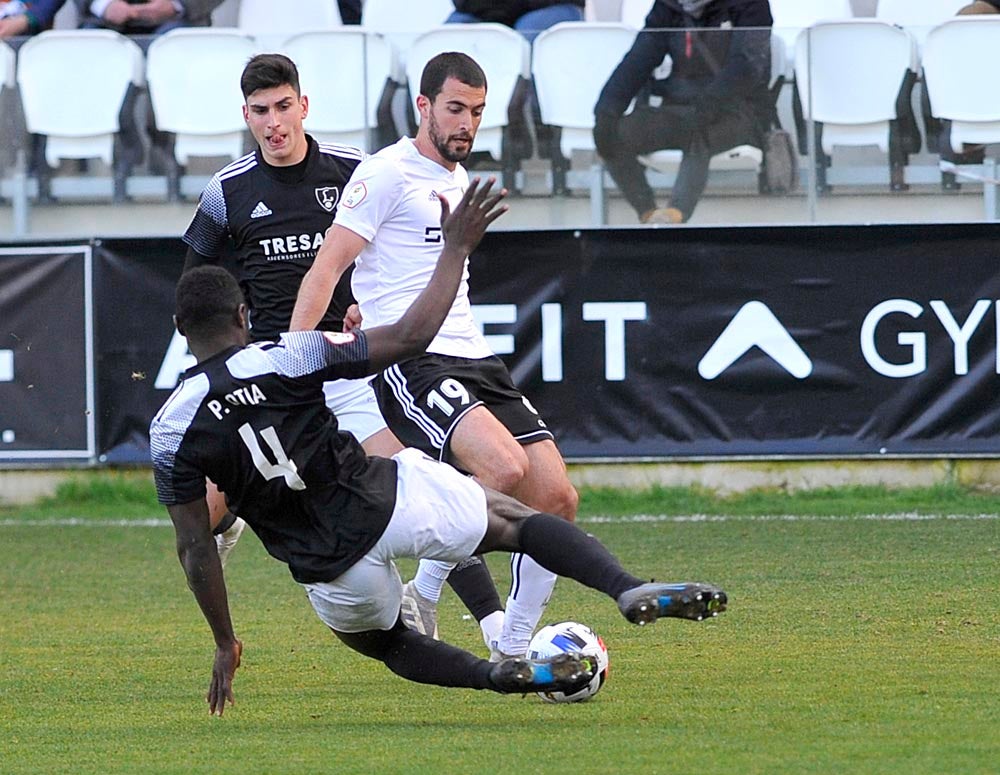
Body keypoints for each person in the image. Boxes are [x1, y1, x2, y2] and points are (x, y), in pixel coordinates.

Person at [151, 188, 728, 712]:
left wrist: (225, 643)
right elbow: (409, 338)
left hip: (326, 567)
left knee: (390, 644)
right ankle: (626, 588)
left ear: (180, 327)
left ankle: (493, 674)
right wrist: (453, 250)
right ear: (243, 315)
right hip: (384, 497)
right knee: (517, 521)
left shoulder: (170, 427)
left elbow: (195, 547)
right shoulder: (289, 355)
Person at [290, 52, 580, 661]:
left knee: (556, 498)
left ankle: (516, 648)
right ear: (422, 106)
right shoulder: (384, 173)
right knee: (500, 470)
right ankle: (423, 591)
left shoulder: (456, 181)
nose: (466, 124)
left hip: (475, 355)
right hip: (411, 358)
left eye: (476, 112)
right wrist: (289, 359)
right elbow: (328, 266)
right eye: (454, 109)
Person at [182, 53, 403, 564]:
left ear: (303, 105)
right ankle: (234, 508)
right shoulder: (225, 191)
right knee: (198, 516)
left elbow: (397, 251)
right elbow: (196, 280)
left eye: (284, 106)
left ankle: (485, 620)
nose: (274, 122)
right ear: (246, 116)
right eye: (261, 110)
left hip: (348, 364)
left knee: (412, 482)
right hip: (268, 371)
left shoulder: (356, 170)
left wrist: (370, 306)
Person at [593, 0, 773, 224]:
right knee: (614, 133)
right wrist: (606, 110)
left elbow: (747, 66)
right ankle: (648, 213)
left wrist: (709, 103)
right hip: (681, 109)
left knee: (697, 133)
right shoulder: (668, 7)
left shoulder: (750, 5)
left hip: (739, 110)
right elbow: (638, 60)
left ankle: (676, 214)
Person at [445, 1, 584, 44]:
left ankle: (531, 108)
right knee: (449, 32)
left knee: (526, 33)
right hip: (489, 9)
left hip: (551, 5)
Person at [73, 0, 222, 35]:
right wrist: (103, 5)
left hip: (180, 21)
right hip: (101, 24)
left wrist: (177, 4)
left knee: (175, 46)